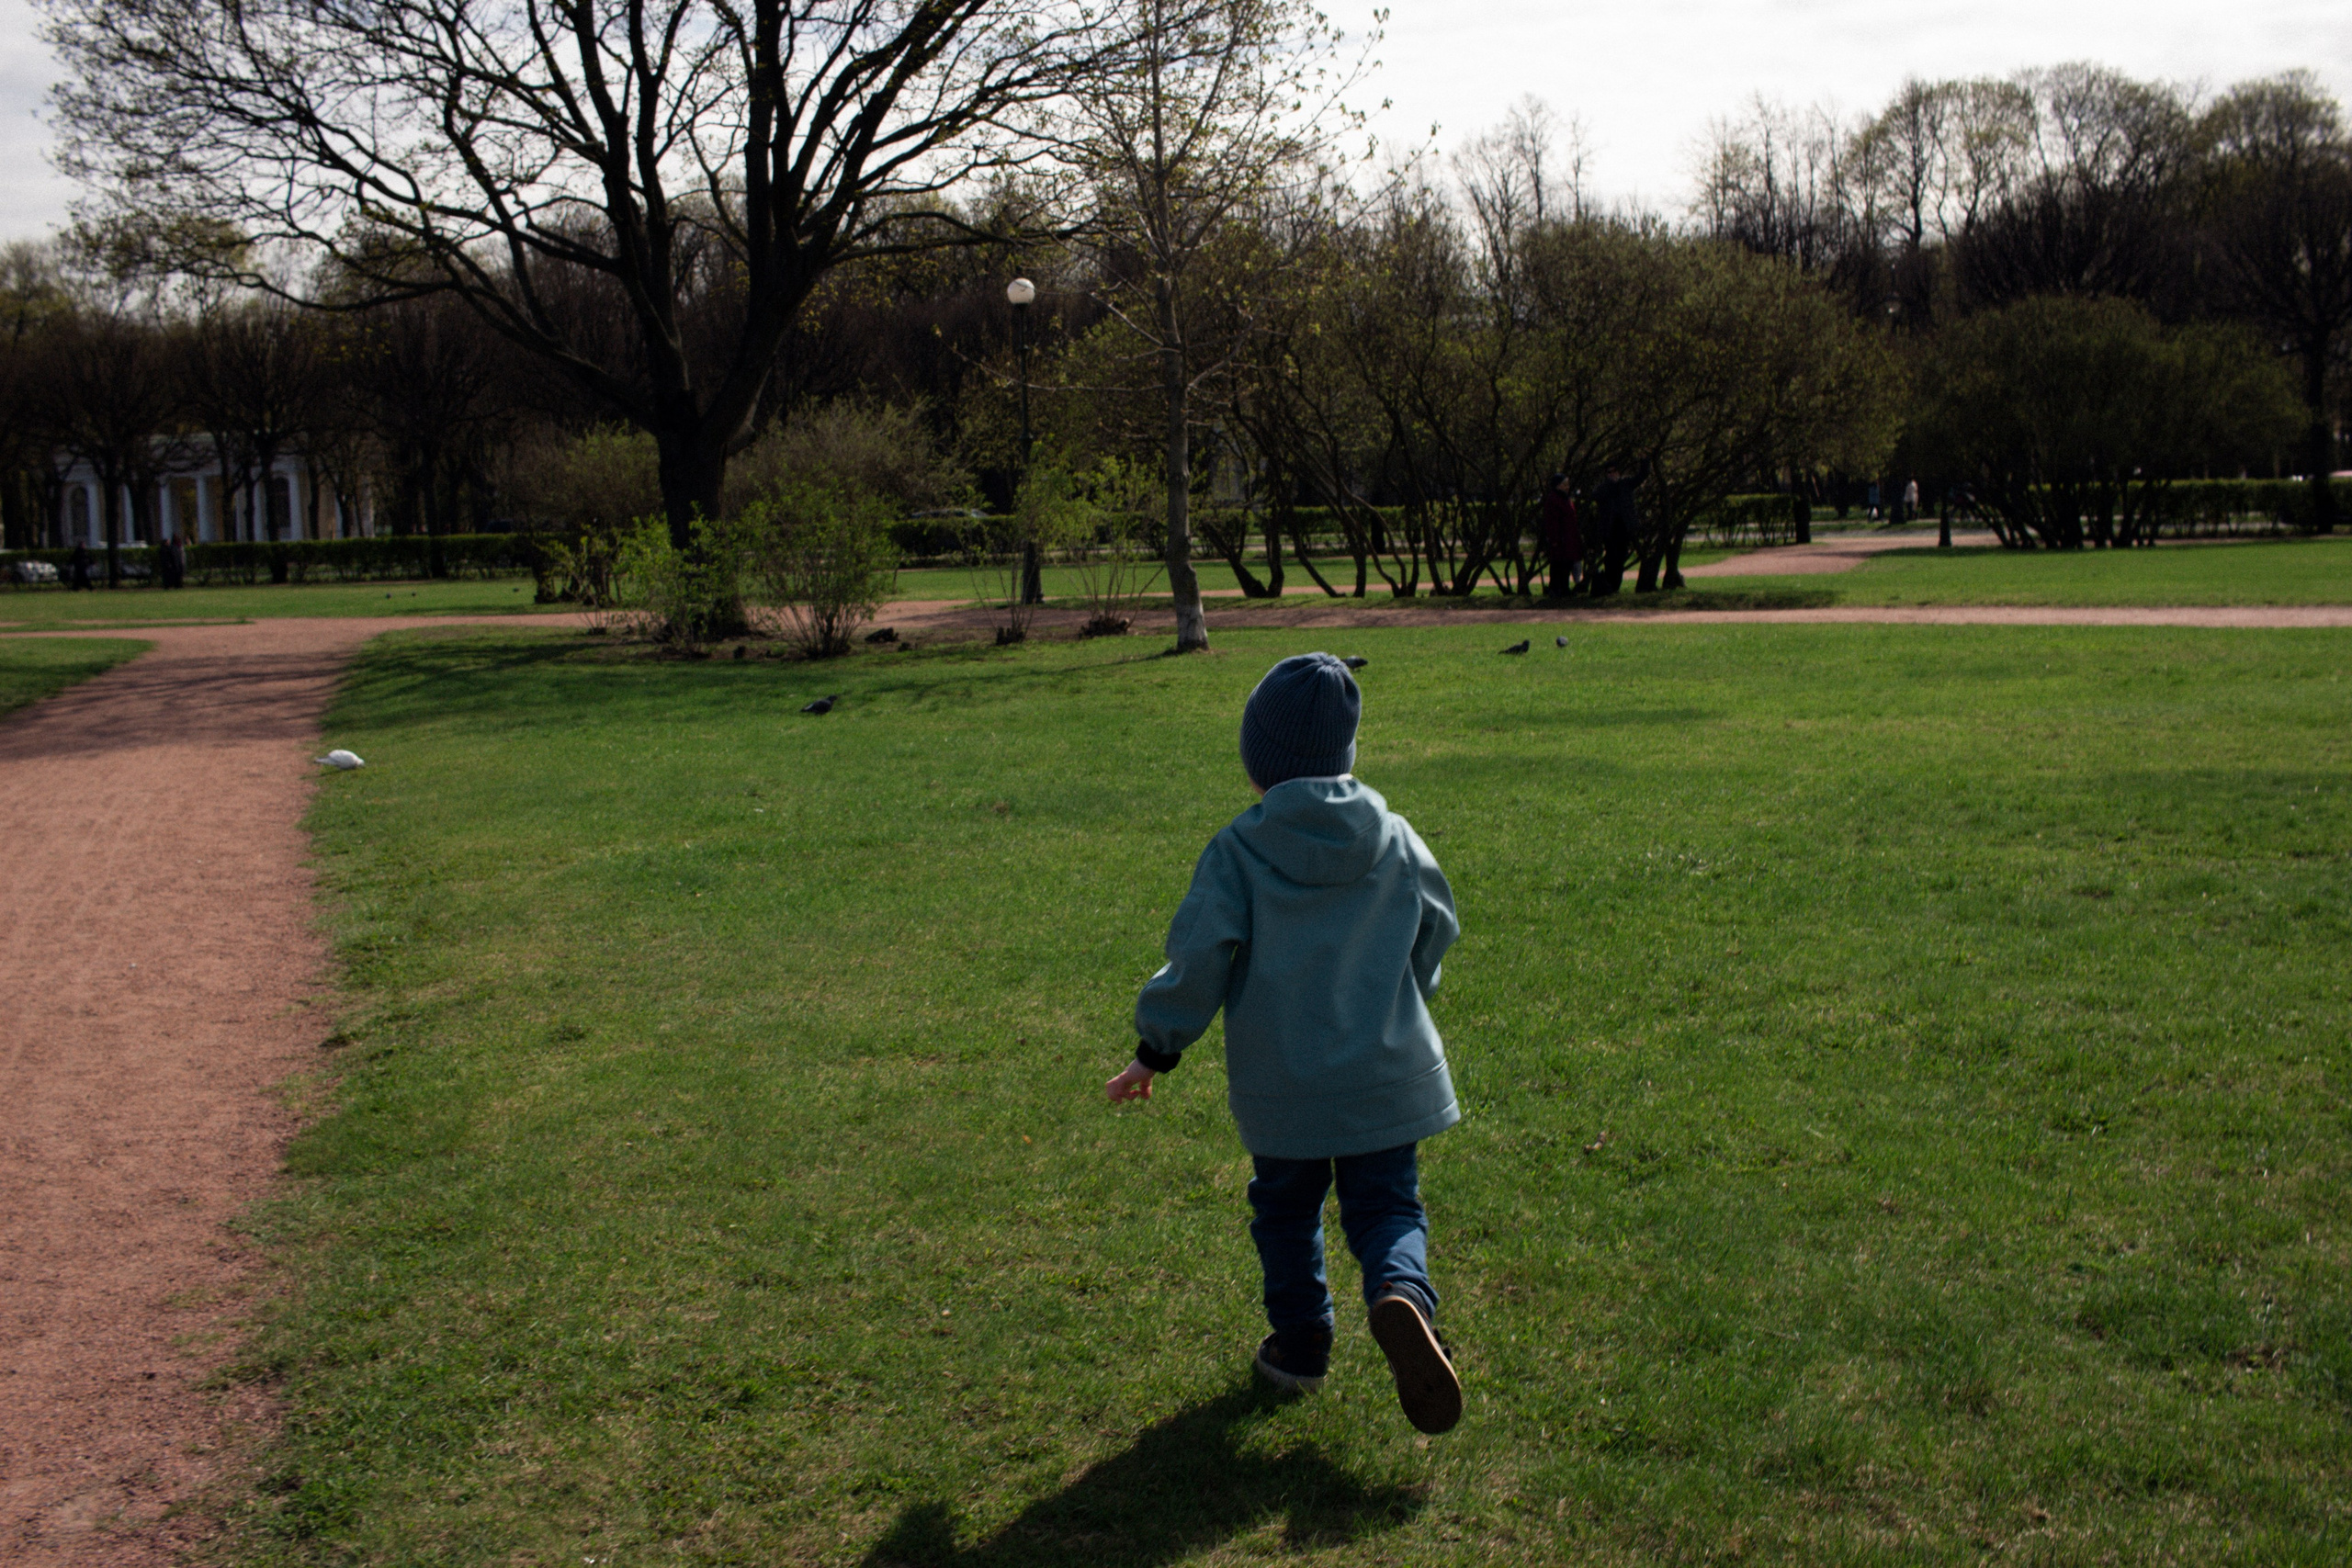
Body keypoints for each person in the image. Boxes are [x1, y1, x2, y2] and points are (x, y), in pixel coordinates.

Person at [1106, 652, 1464, 1434]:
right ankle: (1401, 1293)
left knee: (1286, 1210)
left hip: (1284, 1085)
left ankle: (1302, 1345)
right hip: (1386, 1075)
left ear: (1258, 761)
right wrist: (1414, 993)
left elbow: (1197, 959)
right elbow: (1437, 926)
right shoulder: (1396, 836)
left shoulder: (1238, 850)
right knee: (1387, 1204)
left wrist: (1155, 1047)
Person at [1588, 458, 1644, 597]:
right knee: (1611, 557)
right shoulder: (1603, 488)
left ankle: (1615, 585)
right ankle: (1609, 584)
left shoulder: (1625, 484)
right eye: (1609, 472)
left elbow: (1641, 477)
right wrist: (1610, 485)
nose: (1612, 474)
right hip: (1610, 529)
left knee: (1621, 556)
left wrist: (1644, 461)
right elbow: (1595, 496)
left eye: (1614, 471)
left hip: (1624, 527)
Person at [1538, 472, 1581, 596]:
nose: (1567, 487)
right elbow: (1552, 521)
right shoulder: (1554, 499)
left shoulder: (1565, 498)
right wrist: (1555, 539)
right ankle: (1557, 589)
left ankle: (1564, 588)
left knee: (1567, 564)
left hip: (1569, 537)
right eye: (1564, 484)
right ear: (1557, 485)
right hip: (1561, 539)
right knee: (1558, 564)